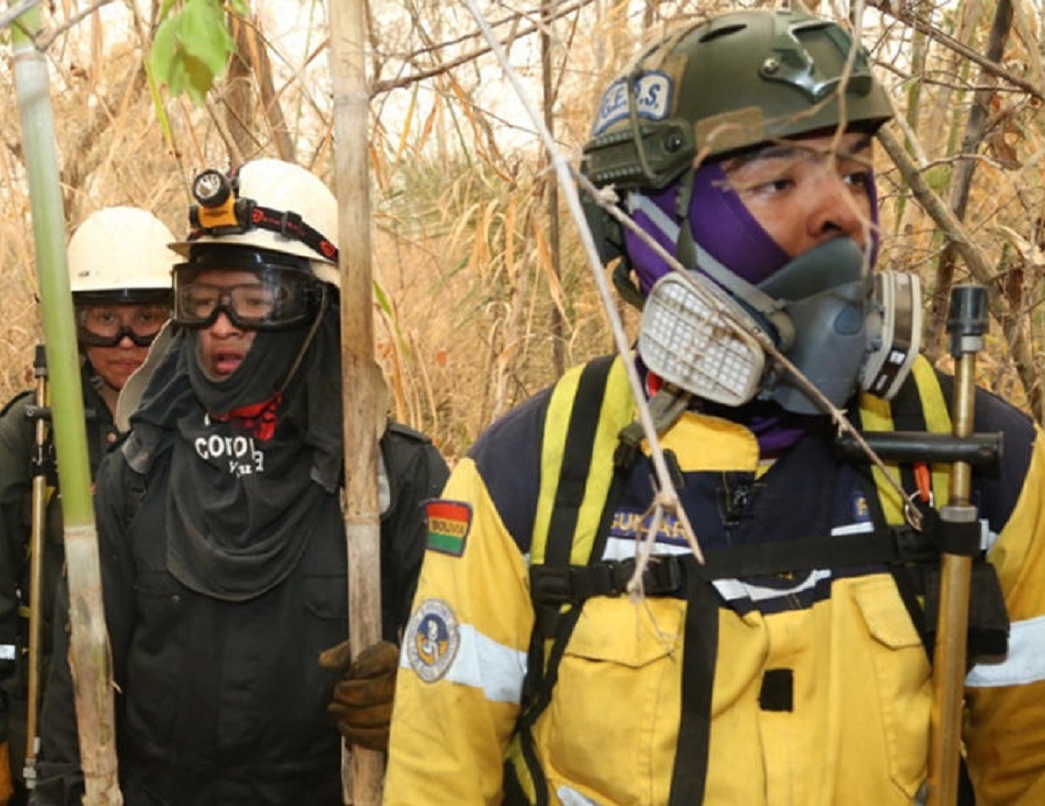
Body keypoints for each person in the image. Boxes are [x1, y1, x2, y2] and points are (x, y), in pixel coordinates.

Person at [384, 8, 1045, 805]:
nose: (842, 214)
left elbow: (1026, 766)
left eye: (855, 172)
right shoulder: (528, 476)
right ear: (647, 232)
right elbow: (436, 782)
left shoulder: (973, 454)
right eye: (777, 181)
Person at [30, 158, 450, 804]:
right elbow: (76, 670)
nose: (221, 325)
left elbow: (469, 673)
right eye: (203, 302)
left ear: (317, 309)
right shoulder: (139, 468)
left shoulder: (389, 477)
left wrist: (418, 696)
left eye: (253, 301)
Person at [0, 206, 178, 806]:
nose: (126, 343)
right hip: (50, 698)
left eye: (147, 319)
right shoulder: (33, 430)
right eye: (104, 319)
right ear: (74, 325)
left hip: (174, 700)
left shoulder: (204, 421)